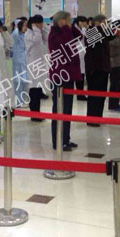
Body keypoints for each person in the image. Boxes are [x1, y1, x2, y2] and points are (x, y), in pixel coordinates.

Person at [48, 11, 82, 151]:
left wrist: (71, 27)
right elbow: (66, 43)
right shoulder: (54, 34)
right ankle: (58, 141)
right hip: (60, 76)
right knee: (59, 109)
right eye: (68, 20)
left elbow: (79, 37)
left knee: (67, 109)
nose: (70, 23)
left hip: (69, 75)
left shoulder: (66, 30)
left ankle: (66, 139)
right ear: (61, 21)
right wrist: (66, 28)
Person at [84, 15, 116, 125]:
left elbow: (111, 36)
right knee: (94, 95)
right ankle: (91, 119)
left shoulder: (103, 32)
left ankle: (98, 117)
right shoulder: (90, 32)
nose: (106, 25)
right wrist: (100, 27)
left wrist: (105, 27)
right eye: (104, 22)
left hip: (104, 67)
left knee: (102, 94)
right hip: (94, 69)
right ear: (97, 22)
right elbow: (97, 39)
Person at [25, 14, 49, 121]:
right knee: (34, 90)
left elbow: (46, 38)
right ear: (34, 24)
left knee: (38, 89)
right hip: (33, 64)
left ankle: (37, 113)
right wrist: (35, 28)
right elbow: (37, 39)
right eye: (40, 23)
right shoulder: (28, 33)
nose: (41, 25)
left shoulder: (38, 32)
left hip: (39, 64)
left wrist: (43, 28)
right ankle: (34, 114)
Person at [108, 20, 120, 112]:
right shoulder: (111, 36)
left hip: (119, 62)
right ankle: (113, 105)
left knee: (118, 84)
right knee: (115, 85)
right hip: (114, 63)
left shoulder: (118, 35)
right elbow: (119, 43)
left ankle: (116, 103)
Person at [11, 18, 29, 107]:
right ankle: (18, 101)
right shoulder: (15, 35)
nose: (26, 27)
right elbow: (15, 33)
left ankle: (23, 100)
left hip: (24, 62)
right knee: (18, 82)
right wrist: (16, 26)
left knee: (24, 82)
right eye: (24, 26)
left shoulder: (24, 35)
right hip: (17, 62)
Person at [73, 16, 88, 101]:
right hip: (78, 54)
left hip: (82, 54)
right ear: (80, 22)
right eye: (85, 22)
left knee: (81, 75)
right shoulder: (75, 30)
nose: (86, 24)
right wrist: (84, 29)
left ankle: (80, 94)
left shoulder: (80, 29)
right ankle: (80, 95)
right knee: (79, 75)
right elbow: (83, 37)